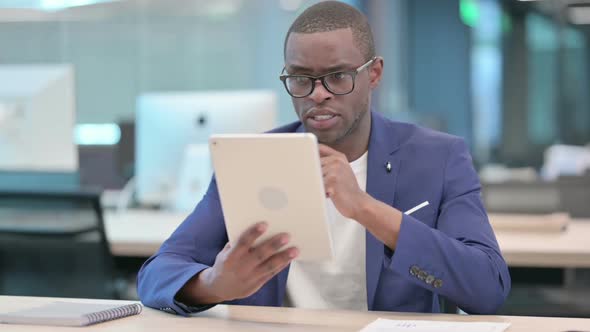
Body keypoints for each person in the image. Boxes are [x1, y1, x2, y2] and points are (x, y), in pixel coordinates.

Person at [137, 1, 510, 315]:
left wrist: (365, 208)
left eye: (338, 77)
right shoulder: (251, 161)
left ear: (374, 73)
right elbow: (157, 274)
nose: (318, 95)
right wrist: (214, 285)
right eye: (301, 79)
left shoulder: (439, 158)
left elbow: (487, 288)